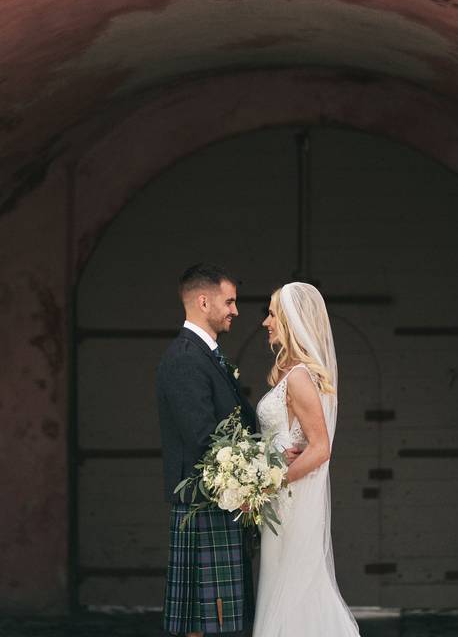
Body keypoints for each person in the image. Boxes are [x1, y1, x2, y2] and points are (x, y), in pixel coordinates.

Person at [252, 282, 360, 637]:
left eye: (272, 314)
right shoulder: (292, 372)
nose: (266, 322)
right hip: (280, 501)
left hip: (289, 500)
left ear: (291, 320)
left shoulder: (299, 378)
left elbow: (320, 447)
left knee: (295, 589)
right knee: (284, 587)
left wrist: (274, 480)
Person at [157, 263, 258, 636]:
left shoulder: (203, 354)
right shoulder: (186, 358)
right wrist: (247, 484)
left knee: (210, 623)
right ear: (203, 301)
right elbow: (203, 439)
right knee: (206, 623)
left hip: (216, 504)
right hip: (205, 504)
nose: (235, 310)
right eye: (229, 301)